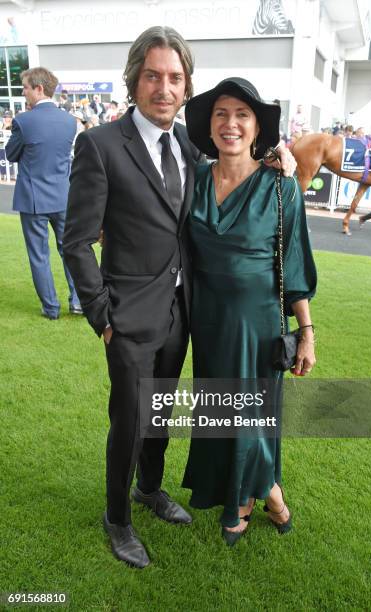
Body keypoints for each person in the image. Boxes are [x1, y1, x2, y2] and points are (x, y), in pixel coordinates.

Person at [63, 26, 297, 569]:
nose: (164, 87)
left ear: (185, 85)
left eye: (174, 77)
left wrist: (276, 155)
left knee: (161, 414)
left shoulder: (192, 147)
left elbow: (237, 166)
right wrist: (101, 313)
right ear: (134, 81)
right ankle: (117, 517)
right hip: (126, 315)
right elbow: (75, 241)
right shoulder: (99, 145)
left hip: (182, 313)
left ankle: (150, 490)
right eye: (153, 76)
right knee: (129, 420)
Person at [181, 77, 317, 545]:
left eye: (242, 114)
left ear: (257, 126)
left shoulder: (280, 187)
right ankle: (257, 492)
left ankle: (260, 496)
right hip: (209, 321)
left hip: (260, 324)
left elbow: (294, 261)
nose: (231, 123)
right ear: (209, 123)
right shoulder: (193, 179)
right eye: (221, 114)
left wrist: (307, 331)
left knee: (251, 417)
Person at [5, 67, 82, 319]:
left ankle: (51, 308)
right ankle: (78, 301)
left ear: (39, 89)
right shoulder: (69, 121)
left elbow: (11, 154)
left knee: (39, 255)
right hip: (63, 196)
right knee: (69, 250)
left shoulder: (23, 121)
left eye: (25, 87)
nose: (24, 92)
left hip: (33, 198)